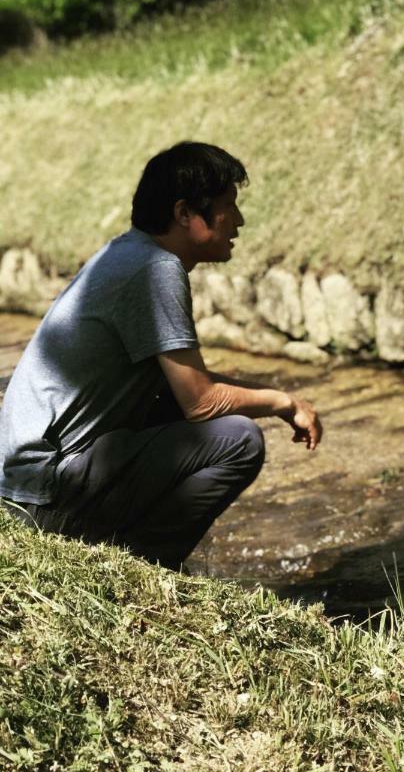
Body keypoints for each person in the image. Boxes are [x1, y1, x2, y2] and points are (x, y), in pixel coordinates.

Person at [0, 141, 322, 569]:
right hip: (44, 494)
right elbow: (203, 401)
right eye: (229, 206)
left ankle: (130, 549)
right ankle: (143, 564)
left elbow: (188, 387)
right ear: (185, 213)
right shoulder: (157, 271)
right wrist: (285, 403)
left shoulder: (128, 252)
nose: (239, 221)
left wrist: (272, 396)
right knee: (240, 441)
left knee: (167, 406)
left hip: (23, 486)